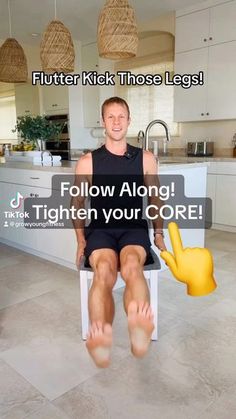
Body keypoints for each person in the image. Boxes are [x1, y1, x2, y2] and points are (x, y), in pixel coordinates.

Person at [74, 97, 166, 368]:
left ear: (129, 120)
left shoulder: (146, 159)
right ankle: (100, 333)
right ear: (102, 122)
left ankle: (139, 326)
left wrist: (158, 234)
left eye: (121, 116)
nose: (116, 121)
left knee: (131, 266)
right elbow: (77, 203)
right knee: (103, 269)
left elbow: (155, 199)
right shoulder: (88, 162)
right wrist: (81, 241)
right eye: (110, 117)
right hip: (100, 229)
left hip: (132, 228)